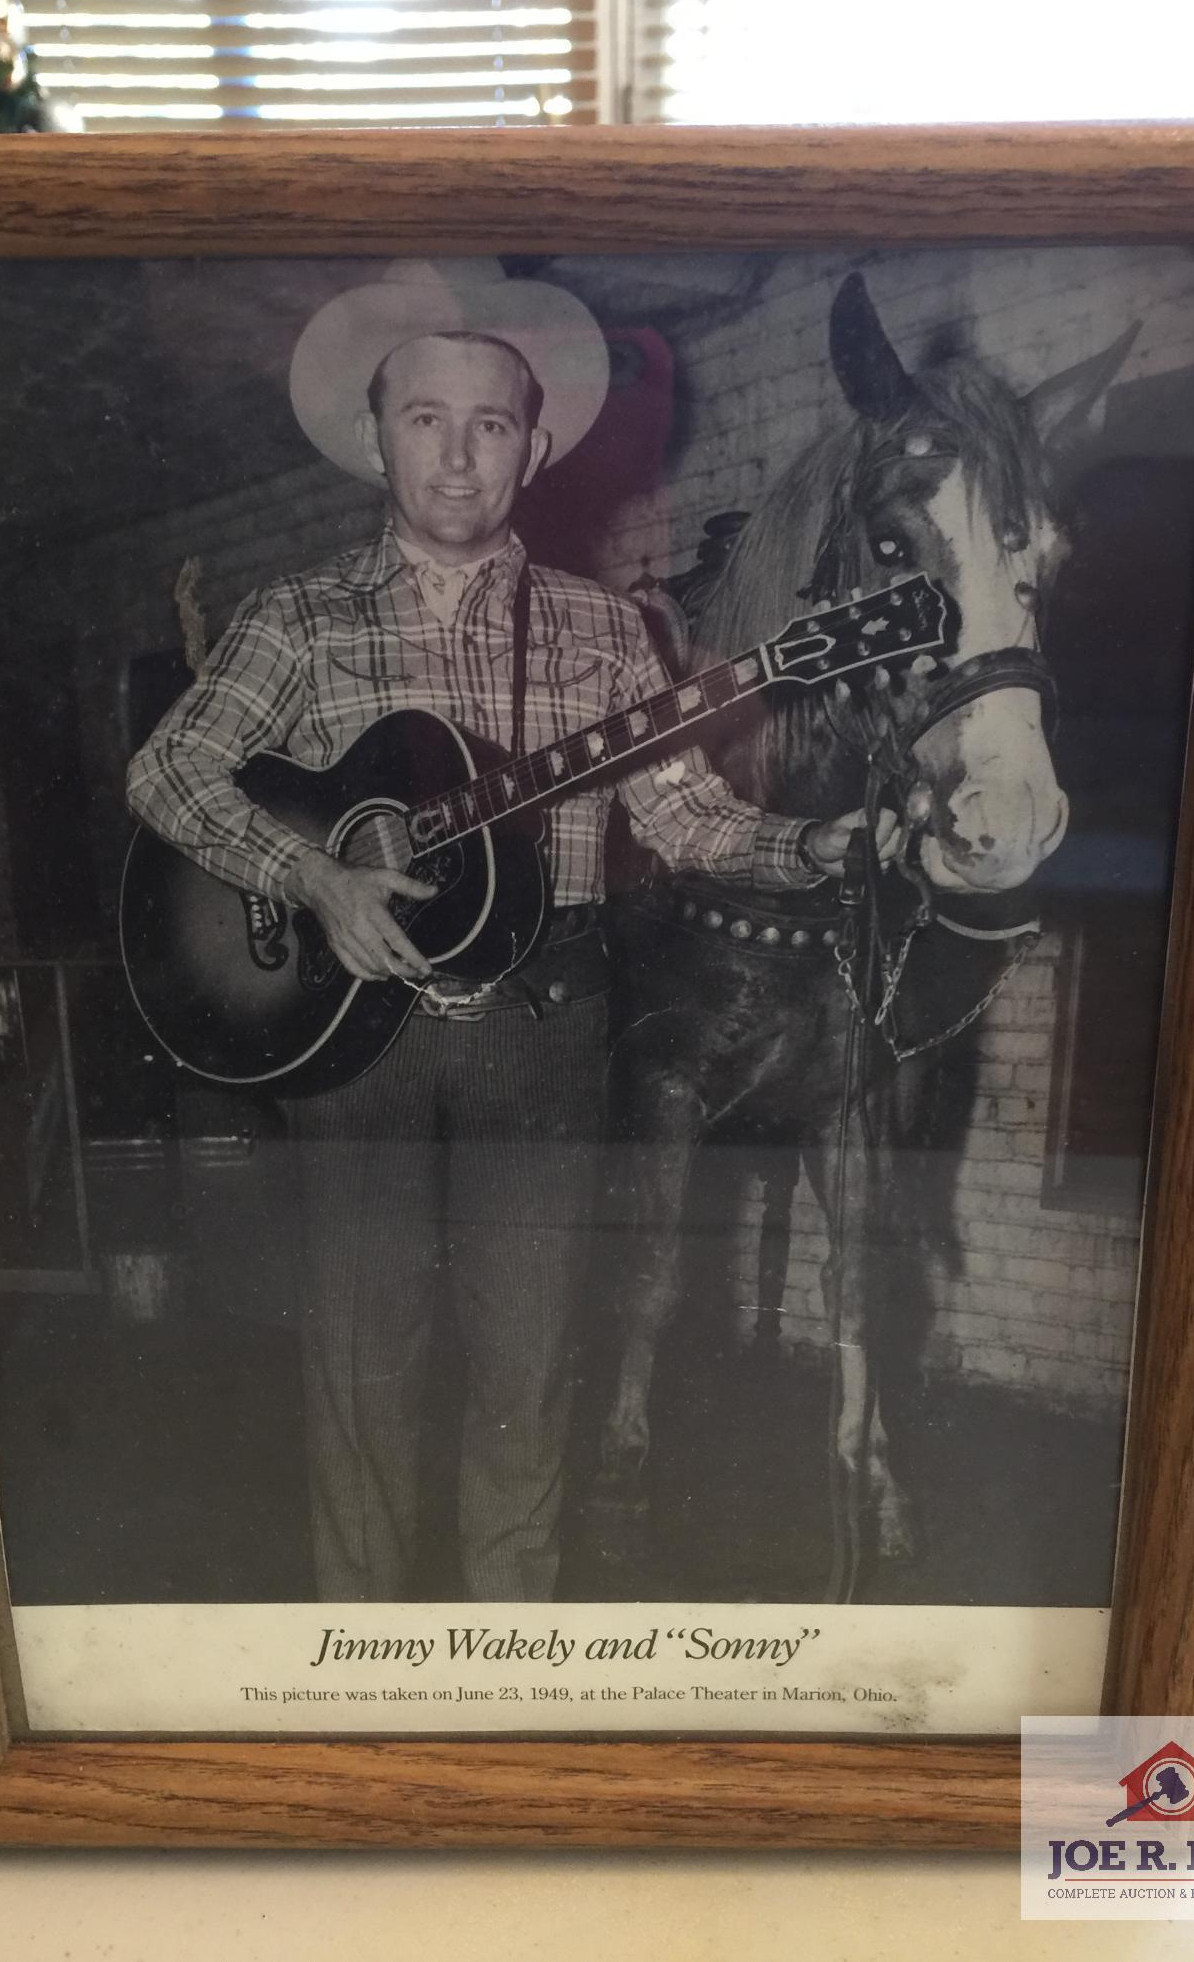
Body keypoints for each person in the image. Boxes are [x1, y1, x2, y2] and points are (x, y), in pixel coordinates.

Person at [127, 259, 869, 1602]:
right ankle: (364, 1688)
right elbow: (166, 775)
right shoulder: (295, 618)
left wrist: (807, 844)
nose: (457, 454)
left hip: (543, 1033)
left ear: (533, 447)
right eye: (423, 418)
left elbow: (691, 813)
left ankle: (501, 1682)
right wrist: (312, 878)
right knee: (361, 1378)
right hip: (351, 1051)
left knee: (531, 1375)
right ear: (374, 436)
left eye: (487, 423)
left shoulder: (599, 631)